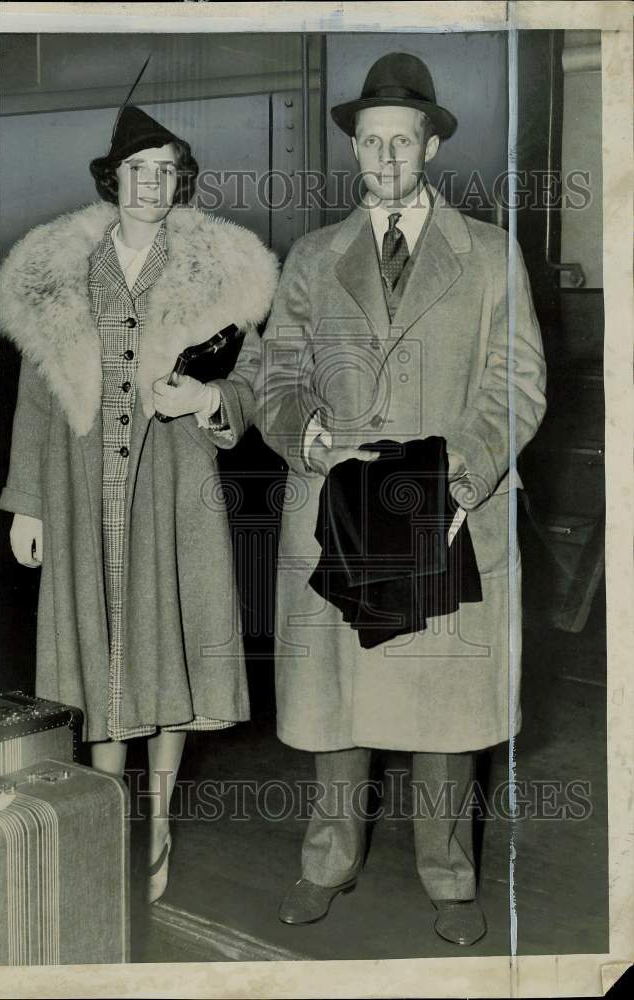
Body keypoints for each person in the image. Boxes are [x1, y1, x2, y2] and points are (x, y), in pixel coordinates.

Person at [254, 52, 547, 944]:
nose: (383, 158)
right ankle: (324, 863)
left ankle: (450, 879)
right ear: (354, 149)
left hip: (442, 503)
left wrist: (461, 471)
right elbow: (278, 373)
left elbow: (516, 380)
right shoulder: (312, 257)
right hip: (340, 505)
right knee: (337, 703)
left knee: (442, 709)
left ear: (428, 147)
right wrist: (300, 432)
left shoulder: (490, 255)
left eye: (400, 141)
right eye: (368, 141)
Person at [0, 102, 278, 903]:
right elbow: (38, 395)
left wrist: (206, 398)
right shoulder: (61, 272)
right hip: (82, 489)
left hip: (174, 490)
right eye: (138, 169)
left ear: (179, 183)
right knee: (99, 653)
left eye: (167, 171)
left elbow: (255, 383)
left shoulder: (218, 273)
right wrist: (28, 504)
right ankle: (109, 822)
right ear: (110, 179)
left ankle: (158, 825)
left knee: (169, 650)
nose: (153, 185)